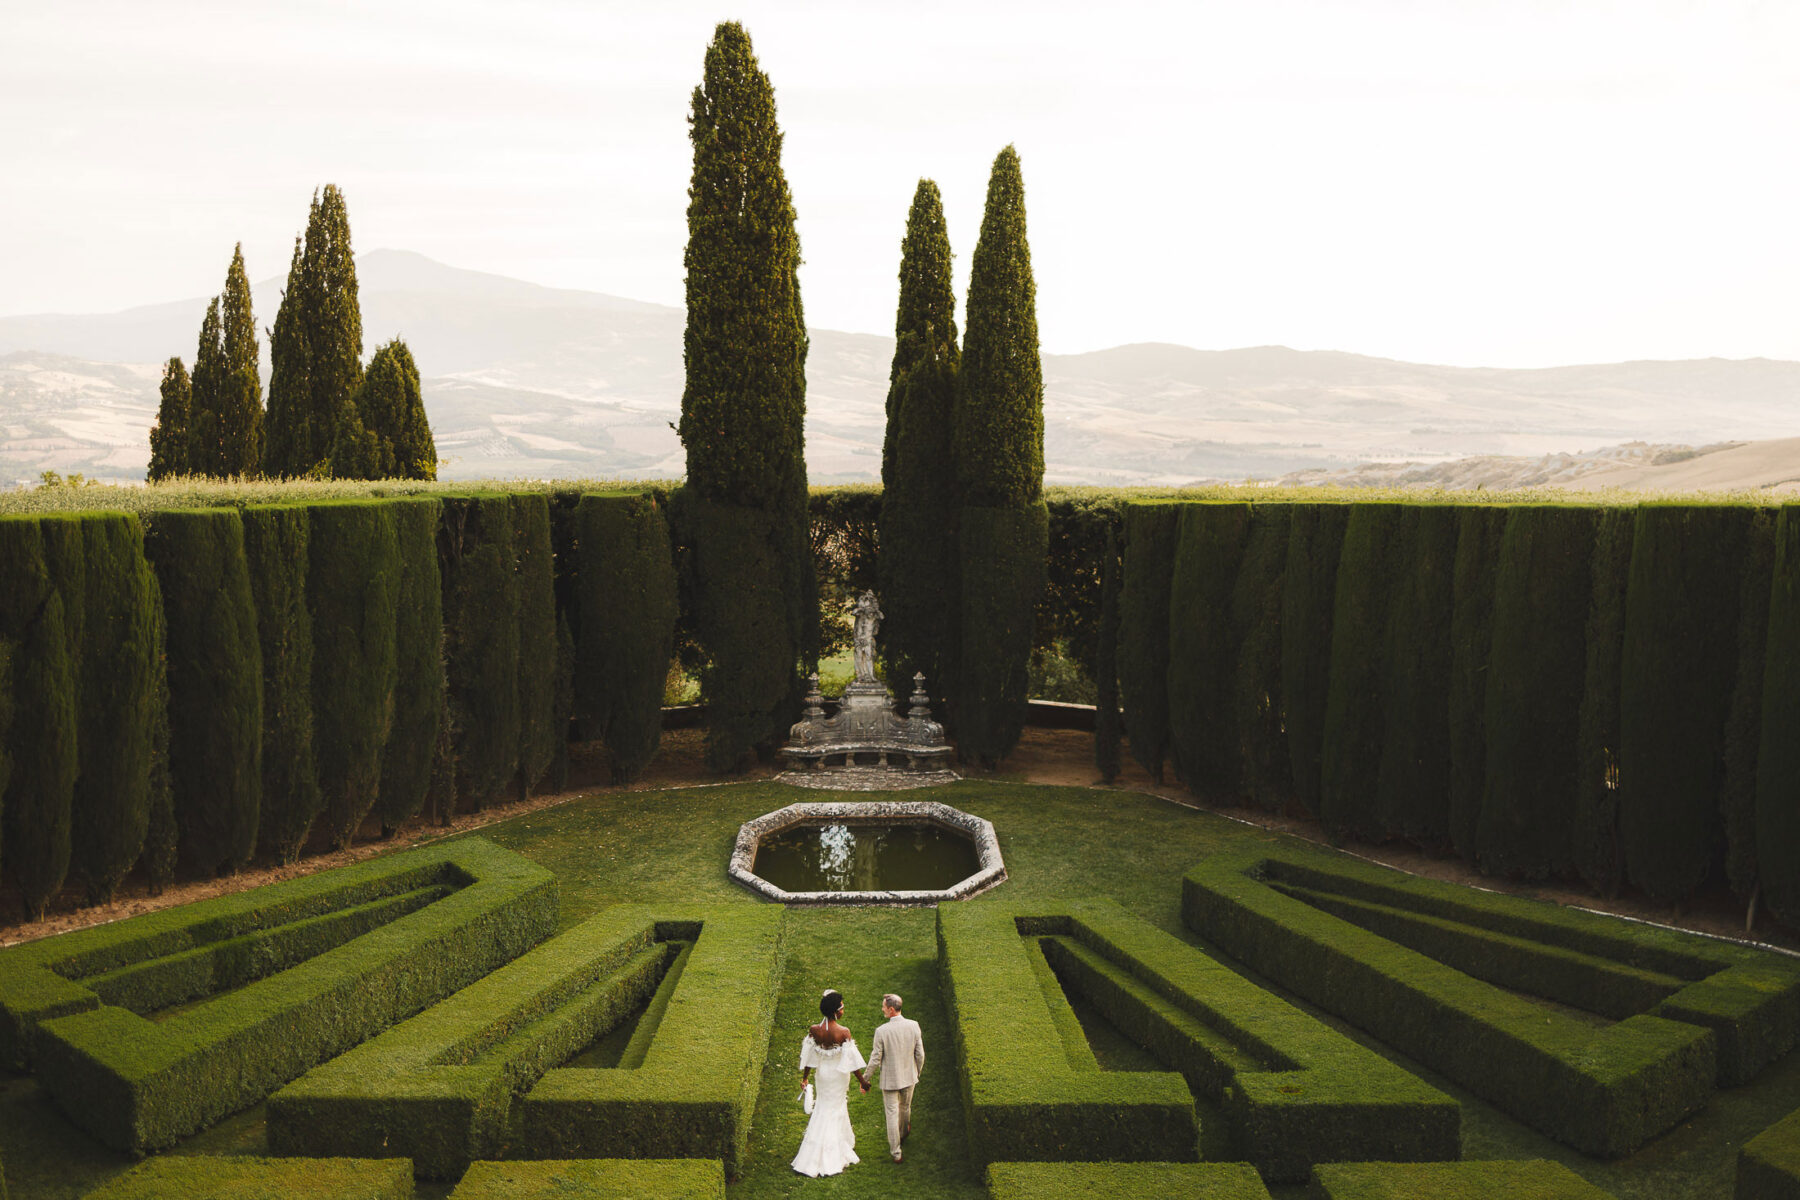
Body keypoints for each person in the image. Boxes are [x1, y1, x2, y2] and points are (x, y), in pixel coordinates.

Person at [791, 988, 869, 1177]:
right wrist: (863, 1081)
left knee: (823, 1108)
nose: (844, 1010)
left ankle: (814, 1150)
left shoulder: (814, 1030)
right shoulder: (843, 1032)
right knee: (835, 1109)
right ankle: (833, 1151)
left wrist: (805, 1077)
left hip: (822, 1075)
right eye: (842, 1008)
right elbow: (851, 1062)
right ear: (835, 1011)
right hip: (838, 1076)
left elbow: (809, 1056)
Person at [862, 991, 925, 1163]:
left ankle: (896, 1153)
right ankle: (903, 1133)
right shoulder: (914, 1025)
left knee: (891, 1114)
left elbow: (875, 1059)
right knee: (905, 1108)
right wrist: (916, 1072)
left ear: (891, 1009)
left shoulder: (881, 1031)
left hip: (890, 1080)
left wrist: (865, 1079)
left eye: (883, 1007)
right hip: (909, 1076)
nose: (882, 1010)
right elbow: (920, 1055)